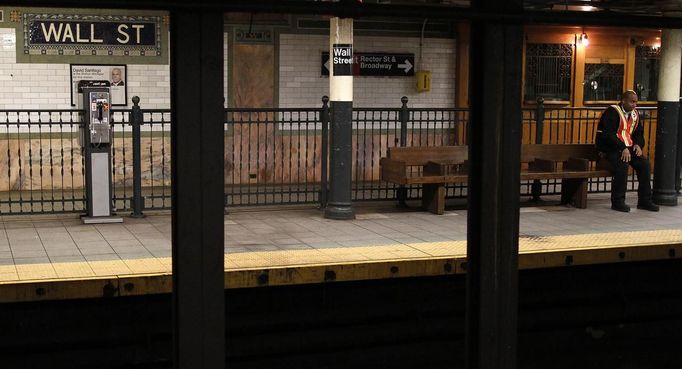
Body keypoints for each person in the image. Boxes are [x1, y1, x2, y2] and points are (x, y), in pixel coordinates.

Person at [595, 90, 659, 212]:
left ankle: (645, 201)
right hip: (610, 149)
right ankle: (618, 201)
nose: (635, 105)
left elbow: (638, 133)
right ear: (623, 101)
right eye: (632, 102)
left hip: (627, 148)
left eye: (636, 102)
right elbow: (608, 135)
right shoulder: (612, 112)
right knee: (622, 165)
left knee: (645, 164)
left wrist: (638, 145)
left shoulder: (635, 114)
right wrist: (622, 147)